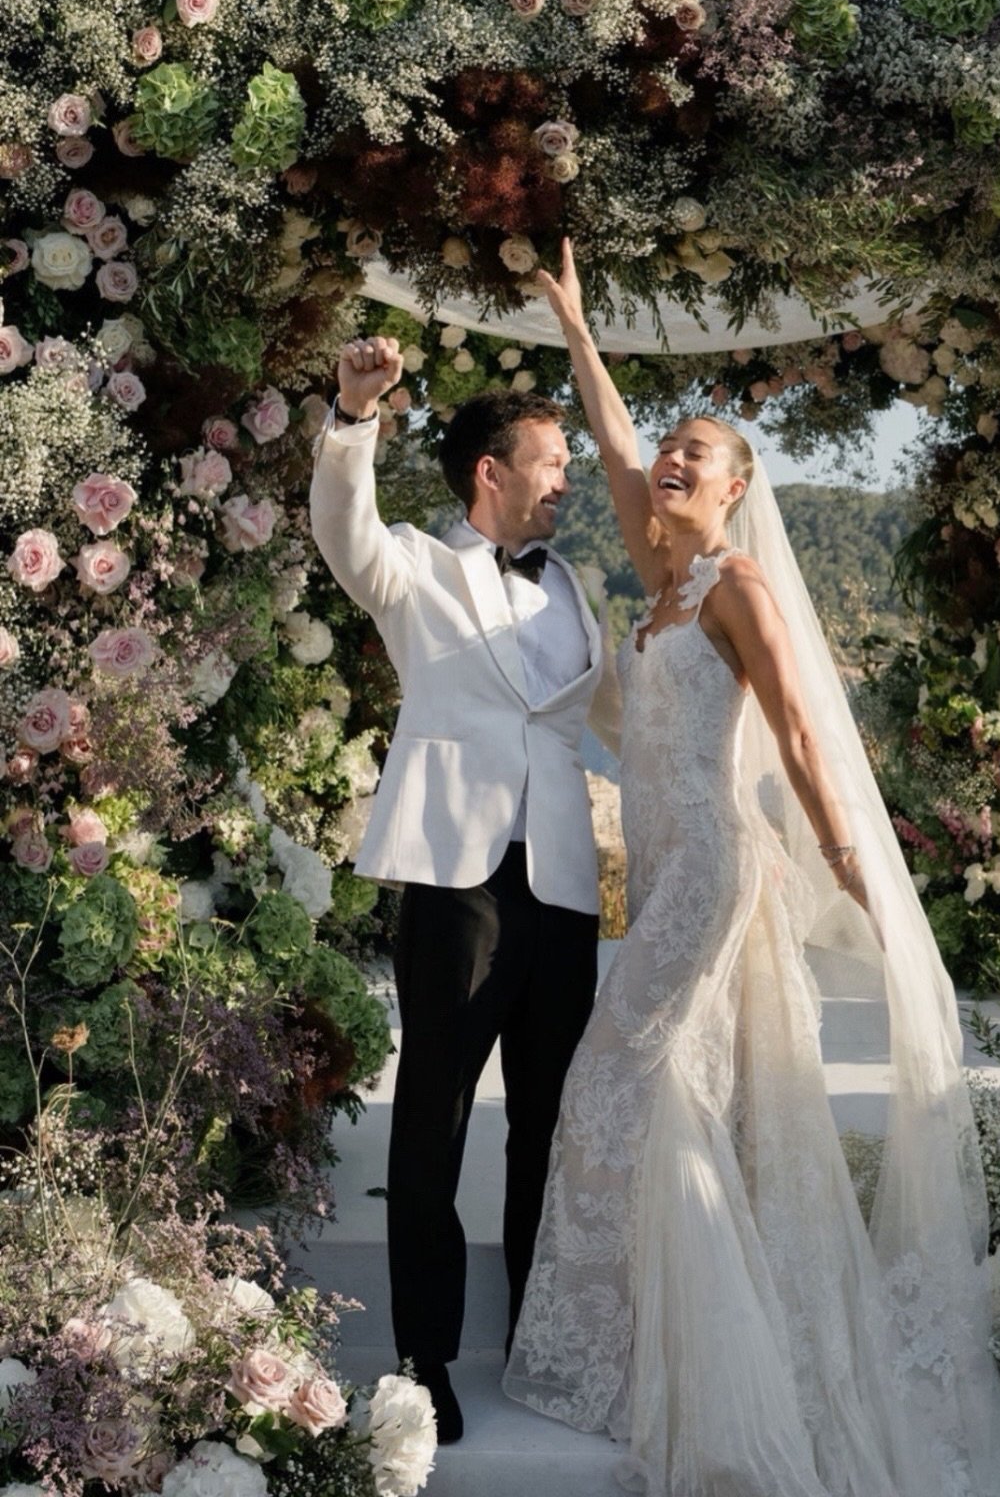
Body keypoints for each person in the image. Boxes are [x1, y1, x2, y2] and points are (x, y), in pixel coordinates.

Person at [503, 242, 1000, 1497]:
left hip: (714, 868)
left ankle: (698, 1366)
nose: (669, 462)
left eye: (700, 455)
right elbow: (617, 441)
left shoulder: (735, 588)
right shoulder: (661, 577)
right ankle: (661, 1346)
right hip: (669, 863)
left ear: (737, 492)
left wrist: (855, 865)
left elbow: (799, 734)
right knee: (677, 1088)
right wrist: (579, 329)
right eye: (671, 452)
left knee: (631, 1074)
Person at [310, 339, 606, 1444]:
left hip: (564, 884)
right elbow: (339, 525)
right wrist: (352, 413)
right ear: (492, 468)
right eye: (553, 460)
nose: (567, 478)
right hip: (455, 881)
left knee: (552, 1125)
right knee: (431, 1124)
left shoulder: (573, 585)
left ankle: (539, 1336)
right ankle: (423, 1353)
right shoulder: (411, 567)